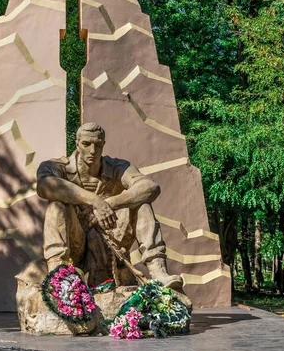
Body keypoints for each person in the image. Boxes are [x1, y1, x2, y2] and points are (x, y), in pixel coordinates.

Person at [37, 122, 185, 291]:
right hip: (76, 243)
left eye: (98, 145)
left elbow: (150, 187)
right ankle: (59, 275)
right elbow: (44, 186)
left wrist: (109, 204)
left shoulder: (117, 167)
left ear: (103, 145)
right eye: (86, 144)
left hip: (111, 237)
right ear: (77, 143)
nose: (92, 151)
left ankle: (158, 272)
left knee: (141, 204)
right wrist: (94, 200)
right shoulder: (57, 166)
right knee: (56, 206)